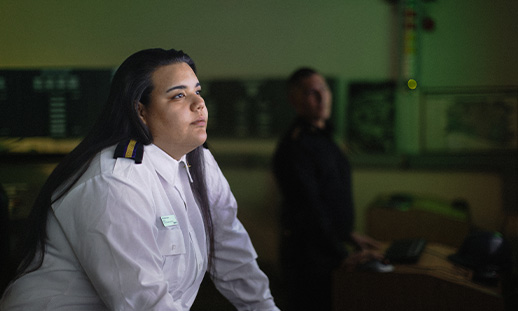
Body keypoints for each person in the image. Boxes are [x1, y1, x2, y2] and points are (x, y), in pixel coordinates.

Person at [0, 48, 280, 311]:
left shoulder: (200, 162)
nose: (199, 104)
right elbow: (142, 300)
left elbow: (234, 257)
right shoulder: (114, 181)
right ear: (141, 111)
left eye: (197, 91)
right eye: (178, 96)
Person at [272, 67, 383, 311]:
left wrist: (348, 235)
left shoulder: (325, 137)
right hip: (310, 259)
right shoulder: (296, 146)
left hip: (330, 248)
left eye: (324, 89)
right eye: (312, 92)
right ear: (294, 100)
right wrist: (341, 253)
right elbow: (309, 209)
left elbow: (330, 196)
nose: (321, 97)